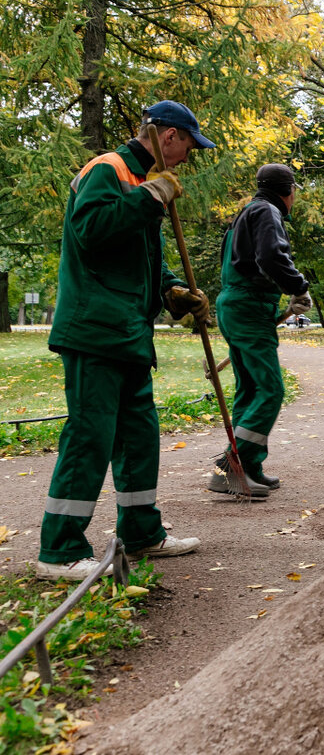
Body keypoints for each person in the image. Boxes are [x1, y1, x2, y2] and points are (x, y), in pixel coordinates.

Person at [36, 101, 213, 581]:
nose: (185, 157)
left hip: (129, 333)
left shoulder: (141, 183)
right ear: (167, 135)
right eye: (187, 146)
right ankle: (58, 550)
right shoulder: (108, 170)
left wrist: (173, 290)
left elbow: (138, 260)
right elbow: (89, 233)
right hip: (95, 331)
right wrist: (149, 199)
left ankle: (140, 531)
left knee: (139, 437)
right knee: (91, 436)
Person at [210, 163, 310, 497]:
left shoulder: (245, 214)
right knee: (270, 389)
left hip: (234, 305)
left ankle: (249, 468)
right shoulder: (268, 212)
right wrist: (298, 287)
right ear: (289, 190)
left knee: (250, 389)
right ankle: (231, 466)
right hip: (248, 308)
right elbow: (271, 256)